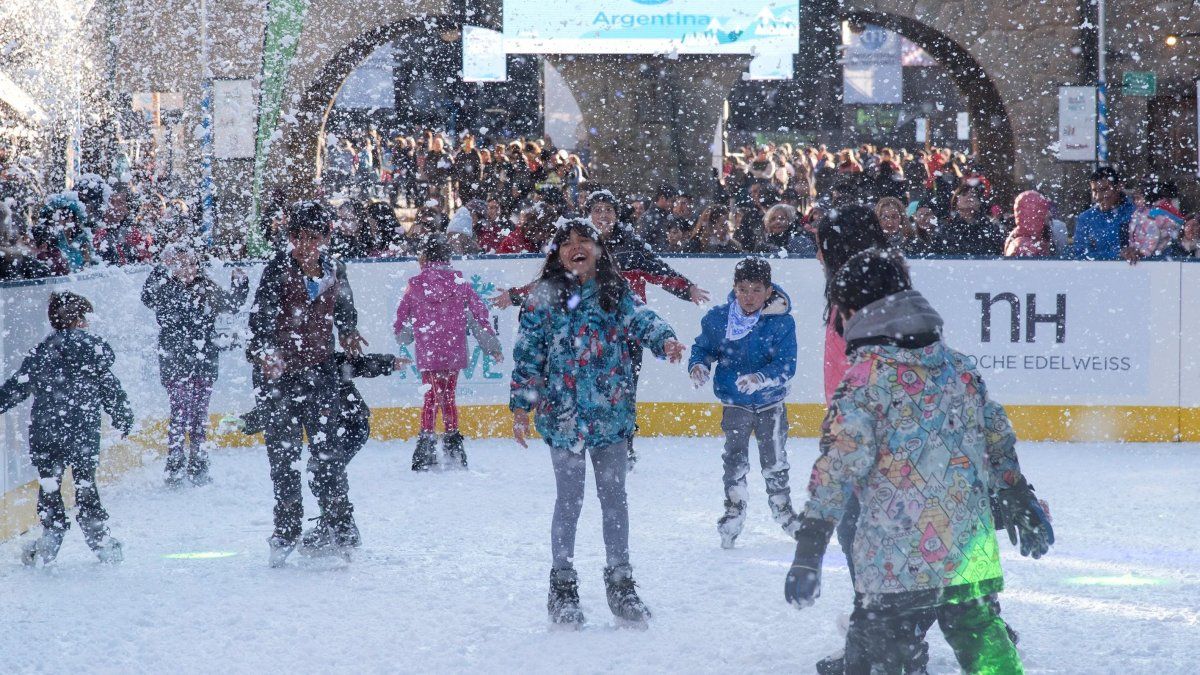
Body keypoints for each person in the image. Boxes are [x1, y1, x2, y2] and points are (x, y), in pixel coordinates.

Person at [784, 248, 1054, 673]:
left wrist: (808, 550)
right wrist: (1020, 496)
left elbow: (835, 472)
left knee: (884, 660)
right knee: (986, 645)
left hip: (895, 565)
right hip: (968, 555)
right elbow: (998, 441)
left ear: (854, 310)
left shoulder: (863, 381)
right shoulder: (960, 368)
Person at [510, 219, 686, 628]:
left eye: (584, 239)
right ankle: (563, 586)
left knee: (614, 498)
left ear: (600, 248)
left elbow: (643, 320)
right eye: (567, 242)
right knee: (568, 501)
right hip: (563, 416)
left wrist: (666, 340)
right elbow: (528, 354)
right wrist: (522, 405)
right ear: (555, 254)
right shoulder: (543, 298)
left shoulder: (614, 293)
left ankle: (621, 583)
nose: (576, 246)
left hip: (610, 414)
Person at [247, 201, 368, 567]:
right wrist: (266, 352)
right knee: (283, 460)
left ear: (326, 237)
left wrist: (347, 331)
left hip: (320, 375)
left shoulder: (335, 269)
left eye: (313, 237)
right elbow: (260, 320)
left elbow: (345, 308)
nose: (304, 244)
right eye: (297, 236)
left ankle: (340, 525)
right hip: (280, 381)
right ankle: (286, 529)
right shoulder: (278, 270)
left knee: (327, 455)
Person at [0, 291, 134, 566]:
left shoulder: (41, 352)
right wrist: (122, 416)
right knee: (86, 483)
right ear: (81, 320)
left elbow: (17, 387)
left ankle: (52, 532)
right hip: (82, 433)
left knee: (50, 485)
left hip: (46, 432)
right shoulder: (94, 352)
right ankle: (98, 537)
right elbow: (111, 390)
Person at [232, 349, 410, 552]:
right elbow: (276, 411)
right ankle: (335, 524)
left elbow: (357, 363)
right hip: (342, 428)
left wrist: (388, 362)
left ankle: (338, 526)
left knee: (321, 471)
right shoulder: (292, 377)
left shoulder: (319, 362)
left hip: (352, 426)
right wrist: (246, 422)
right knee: (321, 471)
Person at [688, 258, 800, 548]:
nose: (748, 297)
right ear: (734, 289)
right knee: (734, 460)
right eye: (742, 289)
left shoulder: (782, 322)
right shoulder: (718, 318)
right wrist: (698, 365)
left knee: (775, 459)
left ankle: (783, 509)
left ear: (769, 291)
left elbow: (787, 364)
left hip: (770, 403)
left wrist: (761, 378)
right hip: (734, 402)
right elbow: (703, 349)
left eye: (756, 290)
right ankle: (734, 510)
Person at [142, 244, 249, 487]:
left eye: (191, 263)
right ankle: (175, 462)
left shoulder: (207, 287)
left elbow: (230, 305)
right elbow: (147, 296)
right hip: (175, 358)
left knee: (199, 414)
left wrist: (239, 285)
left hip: (204, 357)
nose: (188, 269)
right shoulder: (165, 289)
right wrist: (160, 268)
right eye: (181, 265)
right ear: (171, 267)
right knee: (180, 411)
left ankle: (198, 460)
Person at [394, 234, 501, 471]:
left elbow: (402, 322)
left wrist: (408, 331)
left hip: (429, 351)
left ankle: (426, 446)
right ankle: (453, 445)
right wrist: (491, 345)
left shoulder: (415, 285)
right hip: (453, 350)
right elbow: (478, 315)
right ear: (447, 258)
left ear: (424, 258)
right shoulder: (459, 283)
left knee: (430, 397)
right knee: (449, 396)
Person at [1074, 166, 1135, 261]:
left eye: (1103, 190)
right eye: (1094, 191)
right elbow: (1080, 255)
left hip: (1134, 273)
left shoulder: (1136, 214)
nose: (1097, 197)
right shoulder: (1086, 218)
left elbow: (1150, 250)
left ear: (1119, 187)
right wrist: (1117, 255)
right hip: (1096, 274)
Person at [1005, 190, 1053, 258]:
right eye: (1043, 211)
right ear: (1035, 215)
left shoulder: (1022, 238)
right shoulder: (1024, 247)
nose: (1048, 214)